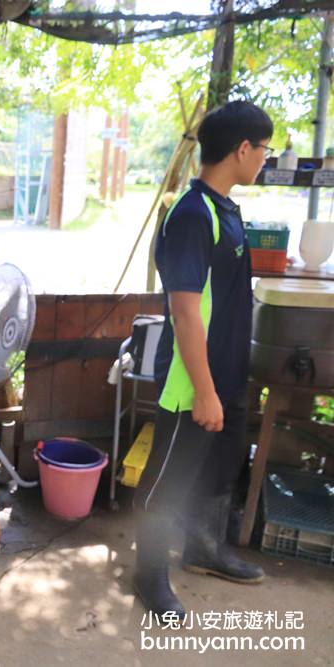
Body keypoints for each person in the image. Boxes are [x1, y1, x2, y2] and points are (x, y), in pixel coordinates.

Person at [133, 100, 273, 618]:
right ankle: (149, 577)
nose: (264, 157)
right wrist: (206, 391)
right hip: (191, 384)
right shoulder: (193, 215)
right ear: (242, 149)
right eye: (263, 148)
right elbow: (186, 314)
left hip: (226, 377)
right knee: (166, 482)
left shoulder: (224, 210)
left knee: (213, 474)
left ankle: (203, 550)